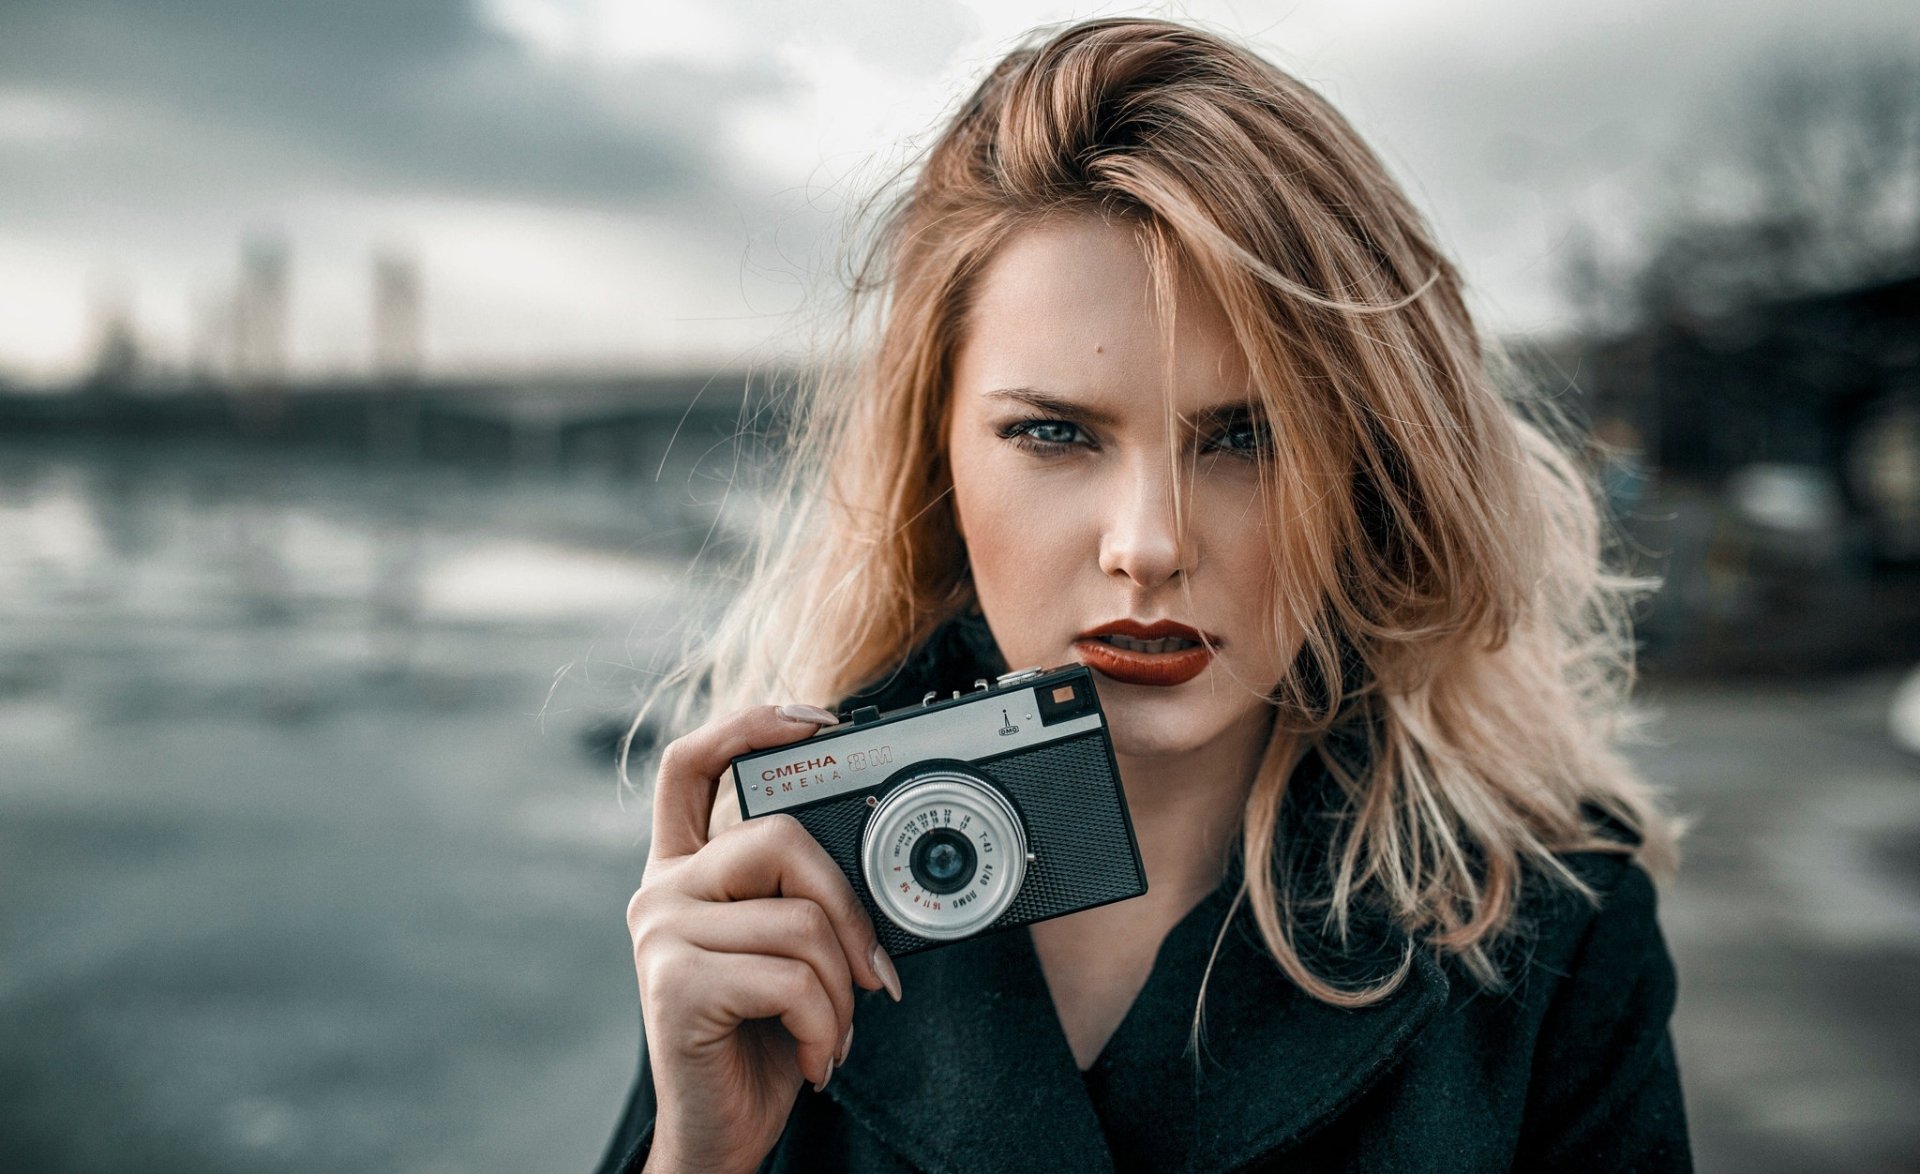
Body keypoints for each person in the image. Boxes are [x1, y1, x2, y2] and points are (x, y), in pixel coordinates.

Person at [597, 16, 1693, 1173]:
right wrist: (698, 1156)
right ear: (939, 459)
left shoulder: (1554, 931)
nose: (1150, 545)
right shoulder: (782, 885)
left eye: (1248, 437)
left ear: (1369, 464)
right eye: (1055, 432)